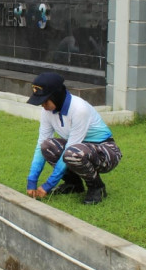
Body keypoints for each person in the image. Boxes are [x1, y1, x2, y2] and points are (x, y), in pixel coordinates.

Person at [25, 72, 122, 205]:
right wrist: (32, 181)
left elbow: (70, 149)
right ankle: (74, 184)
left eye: (45, 101)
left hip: (106, 152)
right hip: (78, 149)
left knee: (72, 153)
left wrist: (49, 185)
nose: (43, 105)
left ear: (56, 95)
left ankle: (97, 187)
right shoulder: (47, 112)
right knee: (47, 146)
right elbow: (41, 143)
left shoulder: (79, 109)